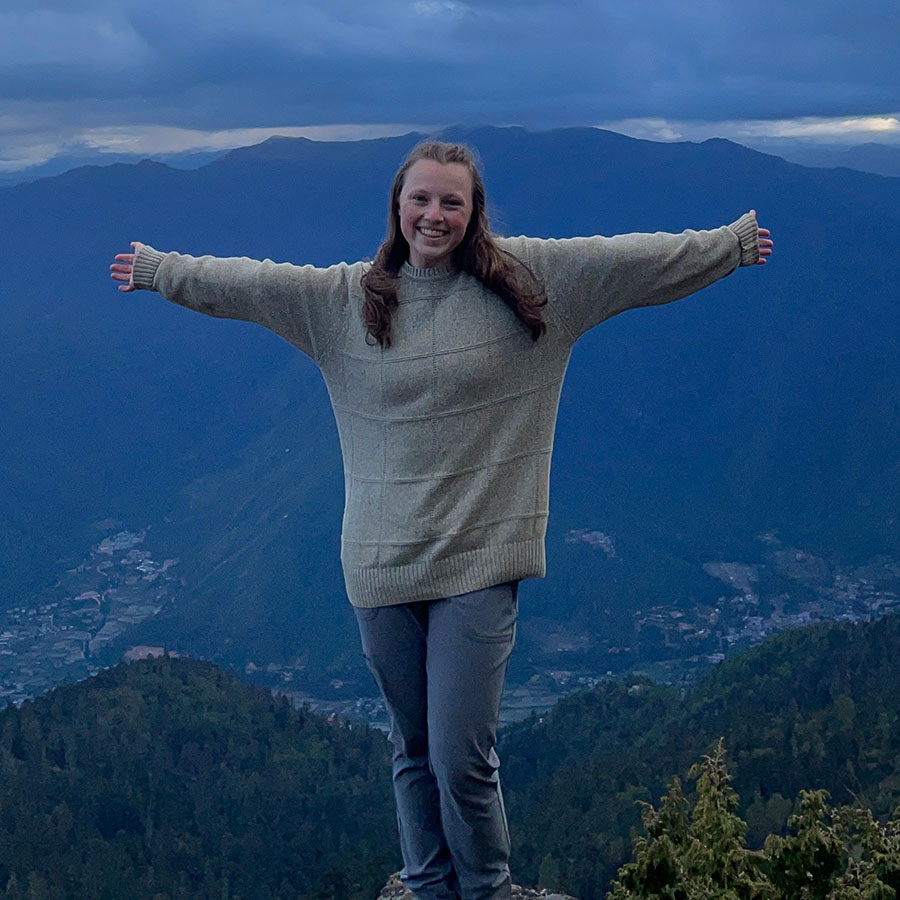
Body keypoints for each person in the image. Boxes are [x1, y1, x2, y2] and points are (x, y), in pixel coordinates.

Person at [110, 139, 773, 900]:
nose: (434, 214)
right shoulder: (344, 301)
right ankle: (429, 886)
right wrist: (163, 272)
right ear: (397, 206)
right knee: (414, 745)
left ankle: (486, 889)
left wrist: (727, 246)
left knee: (462, 751)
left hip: (480, 560)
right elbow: (251, 284)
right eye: (420, 198)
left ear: (473, 211)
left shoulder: (533, 283)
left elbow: (630, 262)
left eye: (451, 201)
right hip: (380, 564)